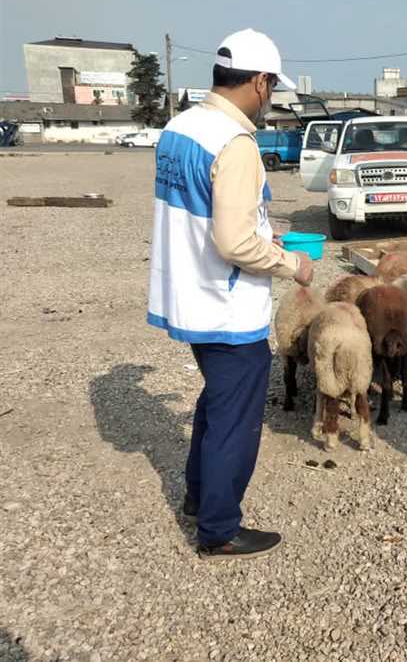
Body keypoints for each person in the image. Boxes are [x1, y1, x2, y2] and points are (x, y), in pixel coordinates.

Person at [147, 29, 315, 560]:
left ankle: (200, 499)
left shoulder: (181, 127)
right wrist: (293, 264)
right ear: (261, 82)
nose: (271, 100)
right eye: (272, 88)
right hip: (225, 304)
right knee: (235, 420)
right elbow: (234, 240)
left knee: (215, 403)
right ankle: (218, 529)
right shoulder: (235, 143)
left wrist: (261, 235)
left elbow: (209, 217)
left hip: (189, 294)